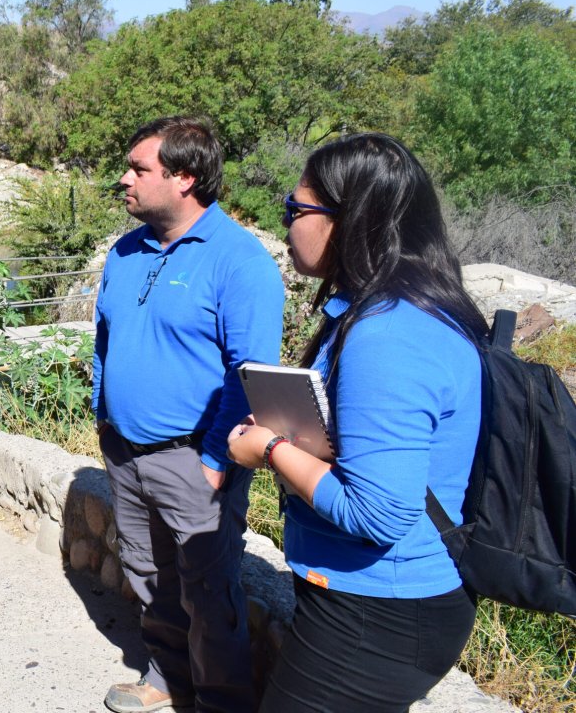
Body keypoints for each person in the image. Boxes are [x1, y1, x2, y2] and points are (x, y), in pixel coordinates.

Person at [227, 133, 486, 712]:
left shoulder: (388, 334)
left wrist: (268, 448)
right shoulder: (403, 309)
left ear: (347, 221)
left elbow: (378, 511)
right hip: (373, 604)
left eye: (296, 210)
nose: (287, 222)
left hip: (379, 613)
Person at [93, 117, 285, 713]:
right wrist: (104, 410)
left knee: (209, 590)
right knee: (149, 574)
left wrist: (213, 460)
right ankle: (167, 678)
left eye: (139, 168)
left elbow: (250, 373)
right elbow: (104, 340)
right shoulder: (126, 251)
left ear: (186, 177)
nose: (124, 179)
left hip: (193, 457)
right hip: (126, 451)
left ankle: (221, 702)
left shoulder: (239, 262)